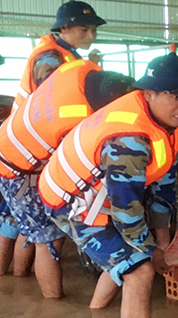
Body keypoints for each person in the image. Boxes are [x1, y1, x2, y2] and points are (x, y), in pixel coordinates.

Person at [38, 52, 178, 318]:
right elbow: (126, 213)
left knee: (124, 258)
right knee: (140, 270)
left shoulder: (168, 124)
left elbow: (164, 186)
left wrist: (164, 242)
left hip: (96, 195)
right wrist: (152, 251)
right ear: (149, 93)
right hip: (71, 202)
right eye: (175, 96)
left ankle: (96, 311)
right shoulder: (129, 140)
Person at [0, 59, 133, 298]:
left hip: (13, 144)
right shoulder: (74, 119)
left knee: (21, 226)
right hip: (19, 167)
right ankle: (52, 304)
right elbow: (73, 164)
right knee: (47, 238)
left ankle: (18, 284)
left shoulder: (82, 70)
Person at [13, 0, 106, 110]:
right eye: (84, 30)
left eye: (94, 30)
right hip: (32, 126)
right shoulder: (49, 58)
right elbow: (53, 101)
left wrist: (91, 64)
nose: (91, 36)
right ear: (64, 28)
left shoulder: (68, 52)